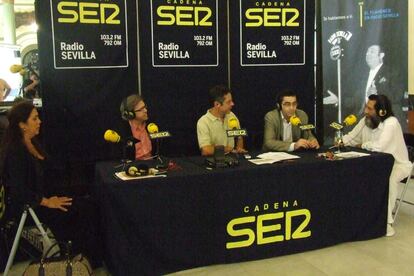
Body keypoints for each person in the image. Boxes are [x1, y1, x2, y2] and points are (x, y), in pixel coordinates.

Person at [0, 101, 103, 267]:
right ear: (22, 125)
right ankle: (81, 260)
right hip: (32, 206)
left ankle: (86, 258)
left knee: (90, 202)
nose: (39, 121)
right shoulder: (16, 152)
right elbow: (19, 191)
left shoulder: (34, 143)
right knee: (84, 211)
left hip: (46, 197)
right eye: (34, 119)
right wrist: (48, 202)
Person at [342, 94, 411, 237]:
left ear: (382, 112)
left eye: (369, 108)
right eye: (366, 107)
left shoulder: (391, 123)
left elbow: (379, 147)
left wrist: (362, 145)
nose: (365, 111)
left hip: (397, 165)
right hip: (375, 164)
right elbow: (351, 138)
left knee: (389, 179)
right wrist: (339, 142)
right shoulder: (365, 121)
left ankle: (386, 223)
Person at [197, 85, 247, 156]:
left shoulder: (231, 116)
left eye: (232, 101)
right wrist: (229, 149)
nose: (233, 104)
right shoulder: (203, 122)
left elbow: (239, 136)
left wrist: (239, 148)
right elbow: (206, 150)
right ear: (217, 104)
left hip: (232, 159)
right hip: (214, 160)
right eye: (228, 102)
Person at [119, 94, 152, 160]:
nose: (145, 110)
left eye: (145, 107)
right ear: (130, 114)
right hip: (133, 166)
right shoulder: (122, 132)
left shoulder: (151, 126)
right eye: (141, 109)